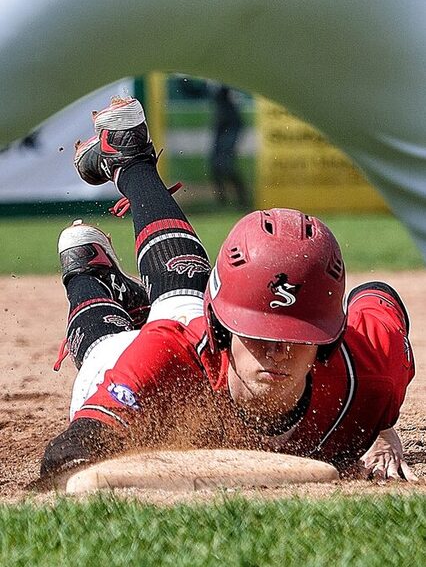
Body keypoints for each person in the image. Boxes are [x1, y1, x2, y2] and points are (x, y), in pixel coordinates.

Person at [40, 97, 417, 484]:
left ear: (330, 340)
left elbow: (377, 295)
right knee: (122, 344)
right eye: (256, 332)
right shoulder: (171, 352)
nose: (276, 351)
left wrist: (382, 426)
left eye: (298, 336)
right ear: (219, 326)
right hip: (169, 349)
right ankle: (87, 270)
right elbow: (68, 454)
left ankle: (118, 199)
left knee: (180, 303)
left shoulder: (370, 373)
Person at [210, 85, 249, 209]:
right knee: (215, 165)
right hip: (221, 124)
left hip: (231, 124)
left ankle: (242, 200)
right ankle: (223, 203)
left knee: (226, 164)